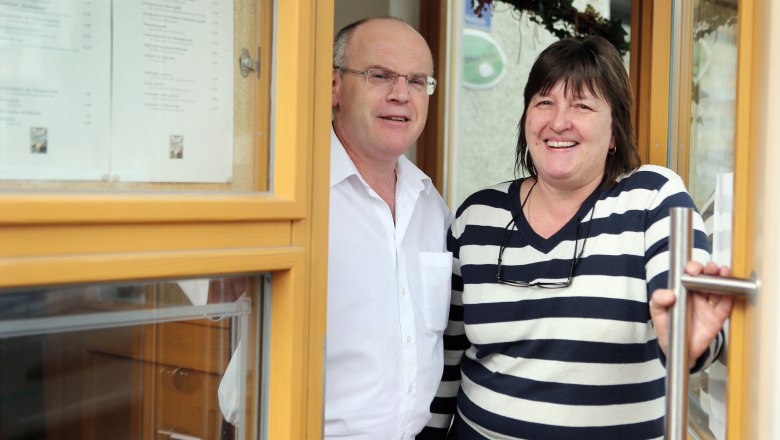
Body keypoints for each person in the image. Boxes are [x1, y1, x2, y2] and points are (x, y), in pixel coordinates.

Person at [418, 36, 734, 439]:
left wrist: (689, 341)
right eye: (544, 102)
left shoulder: (652, 198)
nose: (558, 121)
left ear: (616, 129)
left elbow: (690, 313)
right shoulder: (478, 215)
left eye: (582, 105)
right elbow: (447, 358)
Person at [327, 17, 454, 439]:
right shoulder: (290, 190)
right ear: (334, 87)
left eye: (418, 81)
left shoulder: (432, 207)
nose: (401, 95)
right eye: (379, 75)